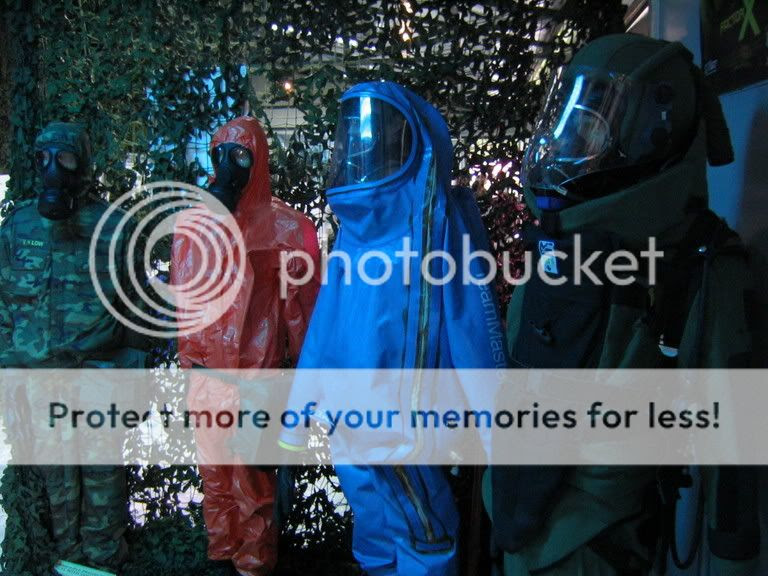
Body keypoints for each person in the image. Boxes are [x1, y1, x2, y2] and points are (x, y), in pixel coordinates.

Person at [485, 34, 760, 575]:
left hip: (598, 543)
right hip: (518, 513)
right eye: (571, 125)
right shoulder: (562, 243)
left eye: (591, 129)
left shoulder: (698, 261)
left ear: (653, 132)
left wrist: (734, 554)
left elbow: (734, 450)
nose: (571, 145)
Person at [282, 81, 506, 576]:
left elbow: (474, 330)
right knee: (383, 534)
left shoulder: (437, 225)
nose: (361, 153)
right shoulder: (354, 234)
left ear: (412, 144)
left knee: (423, 536)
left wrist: (501, 439)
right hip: (354, 429)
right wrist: (295, 419)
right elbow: (324, 331)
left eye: (376, 137)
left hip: (400, 433)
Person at [172, 116, 320, 576]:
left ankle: (253, 566)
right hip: (208, 377)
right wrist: (190, 365)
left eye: (240, 155)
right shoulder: (192, 225)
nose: (228, 166)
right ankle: (222, 558)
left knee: (253, 486)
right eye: (220, 154)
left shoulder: (286, 228)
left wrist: (306, 383)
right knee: (215, 480)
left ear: (259, 160)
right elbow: (184, 300)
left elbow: (303, 312)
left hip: (256, 380)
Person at [0, 121, 148, 572]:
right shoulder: (19, 225)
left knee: (103, 478)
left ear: (82, 162)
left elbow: (140, 310)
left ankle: (102, 562)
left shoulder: (114, 227)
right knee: (57, 480)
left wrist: (134, 380)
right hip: (40, 379)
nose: (53, 169)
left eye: (64, 158)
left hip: (98, 377)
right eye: (43, 158)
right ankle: (69, 563)